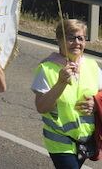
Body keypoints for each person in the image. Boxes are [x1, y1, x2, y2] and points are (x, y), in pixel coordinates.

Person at [33, 19, 102, 169]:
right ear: (59, 40)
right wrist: (61, 83)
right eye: (71, 38)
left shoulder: (92, 66)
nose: (76, 42)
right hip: (59, 141)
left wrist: (95, 104)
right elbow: (41, 107)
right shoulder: (46, 68)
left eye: (81, 38)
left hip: (85, 140)